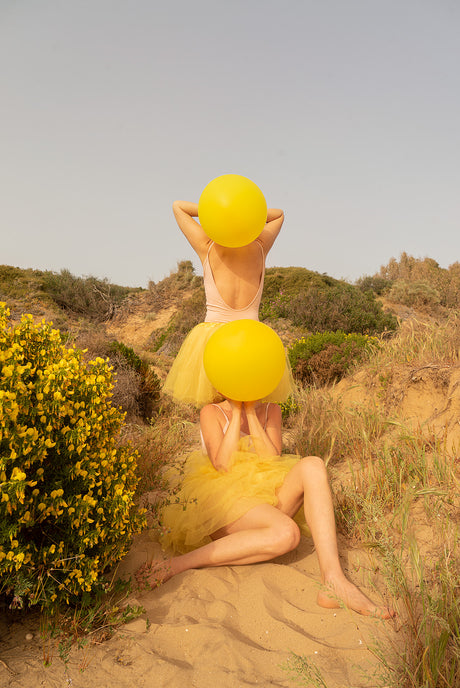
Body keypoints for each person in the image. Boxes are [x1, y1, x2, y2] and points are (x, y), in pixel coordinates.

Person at [137, 397, 394, 619]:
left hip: (264, 500)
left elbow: (272, 459)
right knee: (287, 534)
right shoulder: (211, 412)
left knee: (313, 464)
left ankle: (334, 581)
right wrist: (237, 411)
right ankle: (177, 565)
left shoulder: (272, 410)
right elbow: (223, 465)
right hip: (225, 504)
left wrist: (252, 411)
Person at [163, 201, 293, 406]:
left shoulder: (207, 246)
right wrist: (245, 209)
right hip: (251, 337)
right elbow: (278, 215)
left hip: (214, 338)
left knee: (218, 409)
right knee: (250, 407)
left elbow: (178, 206)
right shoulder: (260, 246)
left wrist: (220, 209)